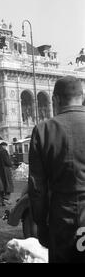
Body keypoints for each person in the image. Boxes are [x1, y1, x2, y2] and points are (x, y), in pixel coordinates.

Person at [28, 75, 85, 262]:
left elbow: (37, 187)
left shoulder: (43, 130)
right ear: (82, 97)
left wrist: (41, 224)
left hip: (62, 218)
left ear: (56, 100)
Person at [0, 142, 13, 206]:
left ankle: (0, 202)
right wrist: (11, 164)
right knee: (8, 185)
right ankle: (6, 198)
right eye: (5, 146)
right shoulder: (4, 152)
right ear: (3, 146)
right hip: (5, 171)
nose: (5, 147)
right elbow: (7, 161)